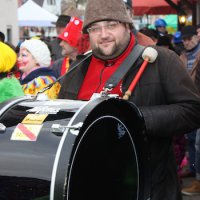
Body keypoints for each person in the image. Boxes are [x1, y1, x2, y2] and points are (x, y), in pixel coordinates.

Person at [58, 0, 200, 199]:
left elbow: (193, 110)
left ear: (127, 26)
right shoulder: (76, 70)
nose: (104, 34)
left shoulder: (162, 60)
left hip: (147, 187)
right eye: (95, 28)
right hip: (88, 184)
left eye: (111, 25)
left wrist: (135, 117)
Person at [179, 25, 200, 180]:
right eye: (184, 40)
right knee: (191, 138)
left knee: (197, 141)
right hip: (187, 103)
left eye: (189, 39)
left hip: (197, 101)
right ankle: (193, 169)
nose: (186, 42)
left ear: (196, 37)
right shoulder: (182, 56)